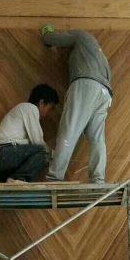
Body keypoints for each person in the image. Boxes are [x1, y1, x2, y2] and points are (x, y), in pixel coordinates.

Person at [40, 26, 112, 184]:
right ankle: (98, 179)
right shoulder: (102, 57)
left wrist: (47, 33)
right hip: (104, 93)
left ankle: (54, 177)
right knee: (97, 138)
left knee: (69, 130)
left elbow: (53, 39)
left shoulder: (82, 36)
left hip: (85, 85)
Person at [0, 84, 59, 183]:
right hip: (2, 154)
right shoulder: (30, 108)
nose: (47, 114)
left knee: (35, 154)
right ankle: (18, 179)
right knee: (42, 151)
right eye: (50, 108)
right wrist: (56, 155)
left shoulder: (23, 110)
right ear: (42, 103)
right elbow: (38, 142)